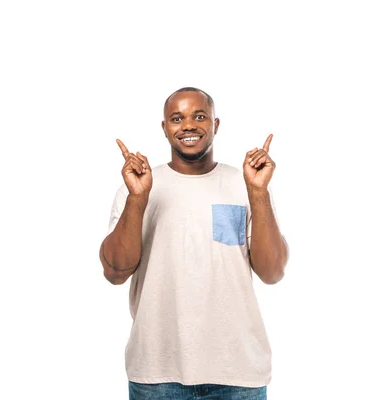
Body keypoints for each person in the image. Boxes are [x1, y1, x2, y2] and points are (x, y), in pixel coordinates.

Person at [99, 87, 289, 400]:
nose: (188, 125)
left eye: (199, 116)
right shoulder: (137, 187)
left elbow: (272, 273)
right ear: (164, 128)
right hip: (156, 375)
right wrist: (138, 199)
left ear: (215, 124)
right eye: (177, 118)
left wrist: (258, 194)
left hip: (237, 373)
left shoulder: (245, 185)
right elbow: (114, 272)